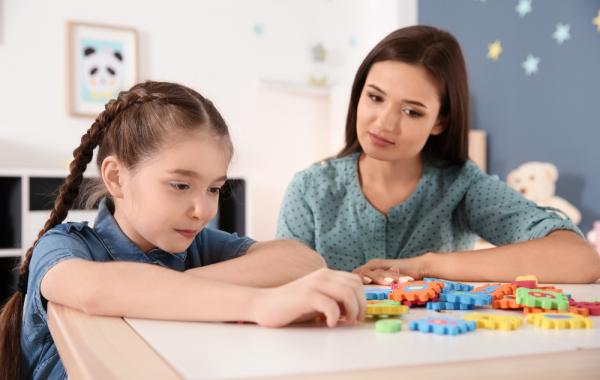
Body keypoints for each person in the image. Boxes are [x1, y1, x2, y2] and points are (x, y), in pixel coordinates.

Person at [0, 81, 365, 380]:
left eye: (214, 188)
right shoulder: (64, 245)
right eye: (180, 185)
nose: (203, 210)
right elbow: (94, 289)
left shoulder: (195, 248)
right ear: (115, 177)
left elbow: (302, 260)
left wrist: (185, 284)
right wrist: (259, 302)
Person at [276, 25, 600, 285]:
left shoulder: (463, 187)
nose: (384, 123)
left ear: (440, 121)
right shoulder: (310, 190)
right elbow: (281, 286)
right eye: (375, 97)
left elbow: (580, 260)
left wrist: (426, 265)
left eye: (411, 111)